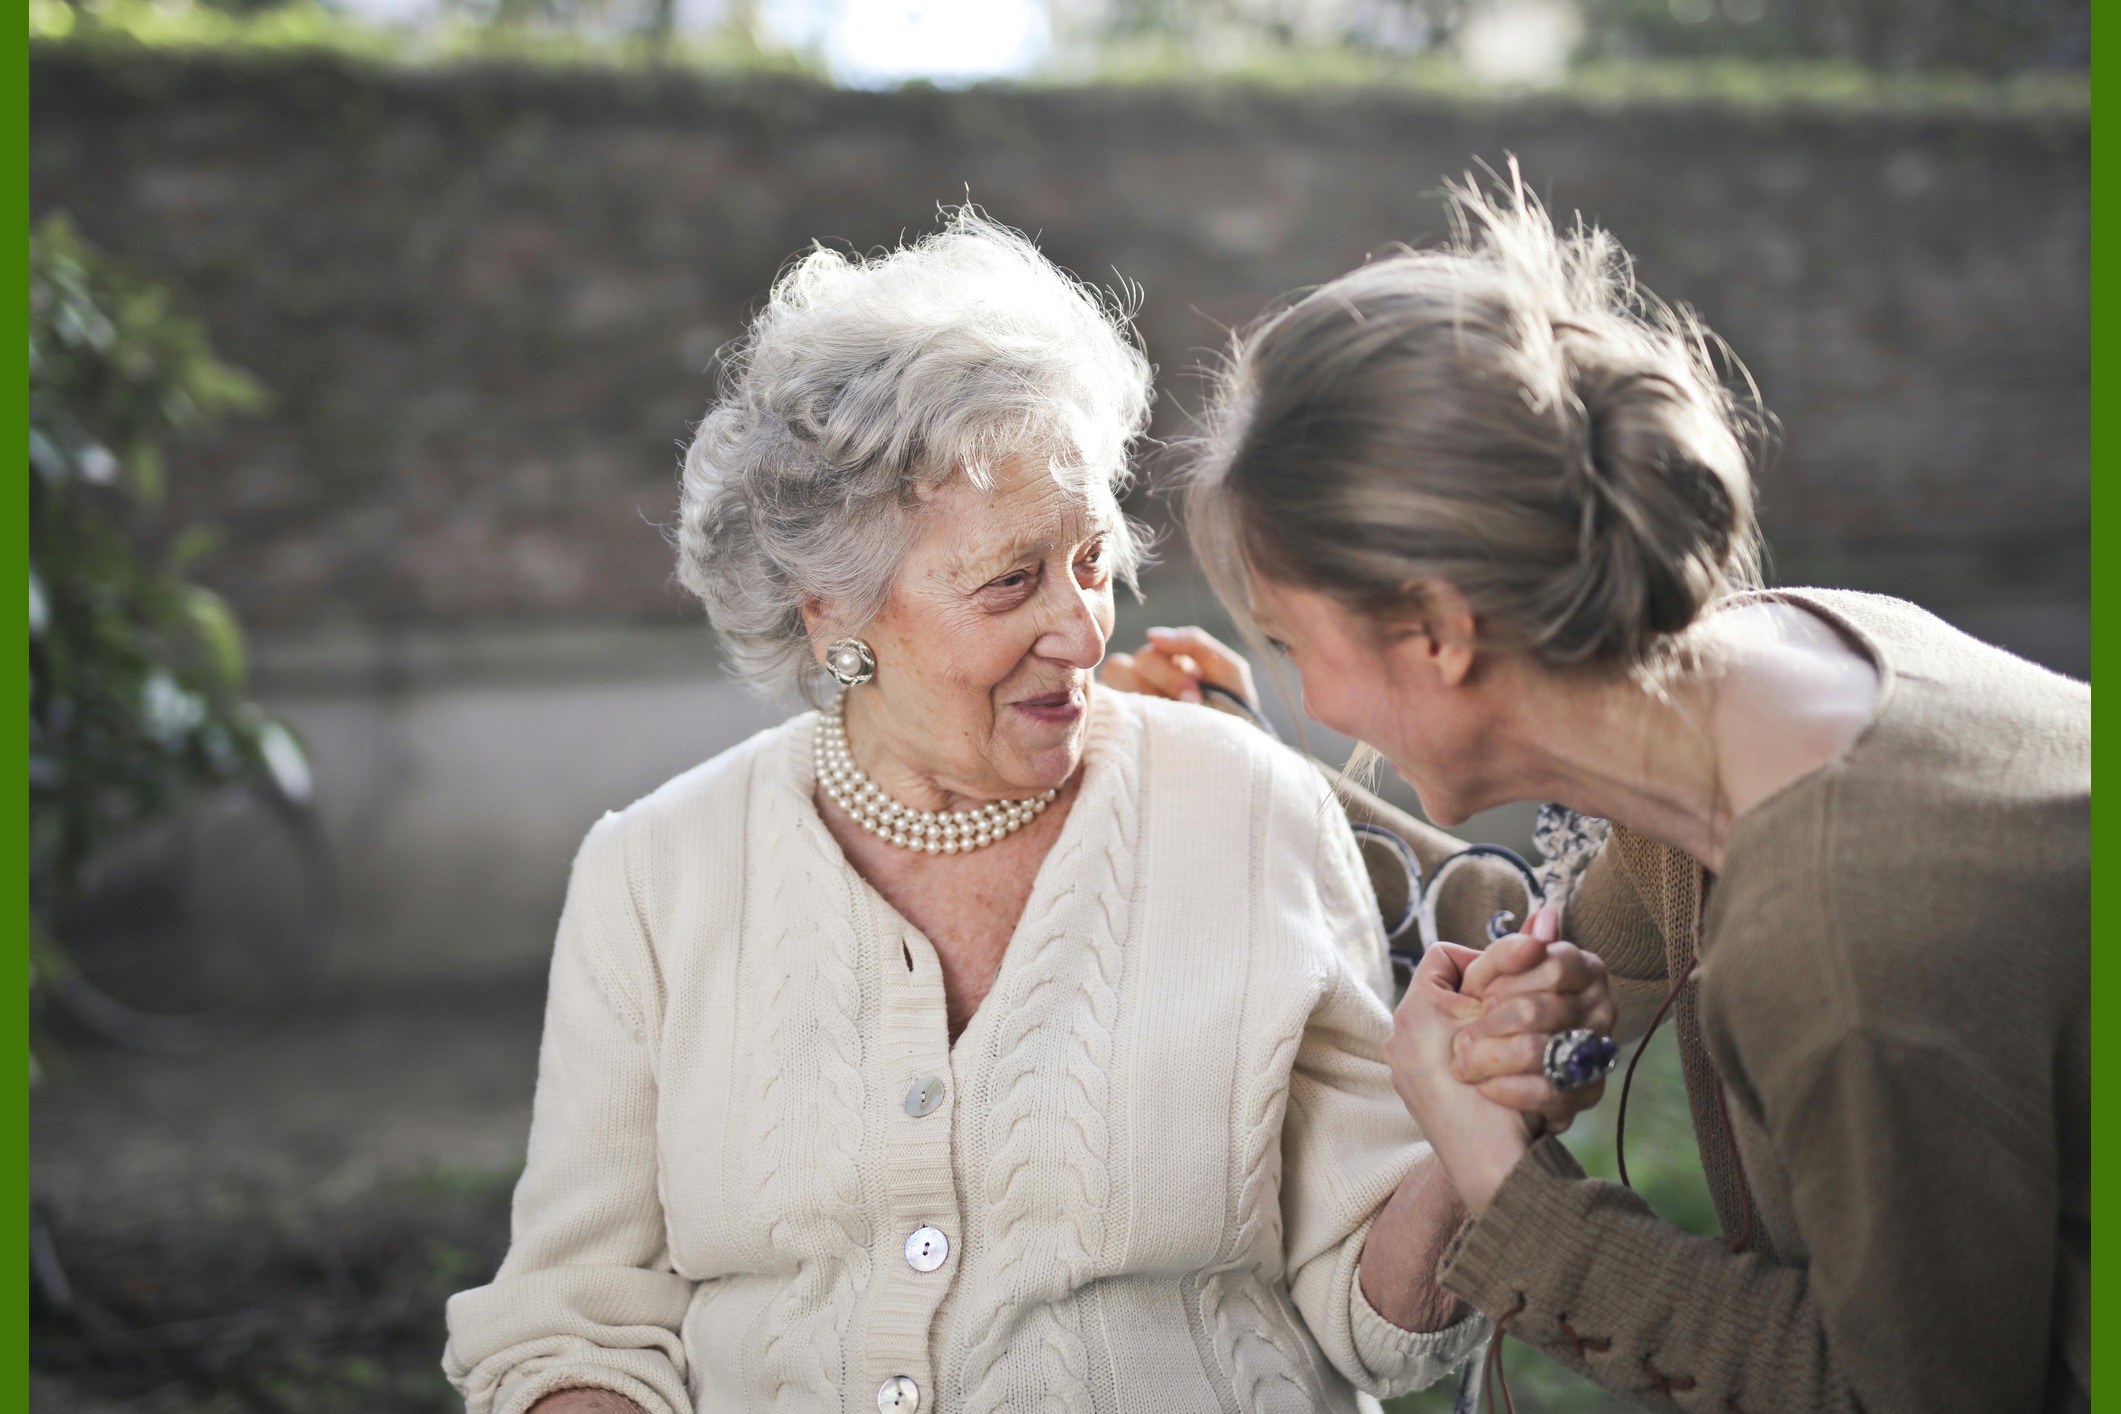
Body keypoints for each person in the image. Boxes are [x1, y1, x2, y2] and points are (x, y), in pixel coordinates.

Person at [440, 213, 1617, 1414]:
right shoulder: (653, 872)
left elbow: (1377, 1326)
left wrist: (1471, 1127)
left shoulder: (1246, 806)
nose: (1083, 630)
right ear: (831, 610)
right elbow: (574, 1322)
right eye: (1011, 581)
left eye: (1092, 561)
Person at [1143, 166, 2089, 1413]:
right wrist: (1234, 763)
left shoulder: (1839, 938)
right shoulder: (1775, 668)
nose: (1312, 696)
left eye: (1291, 643)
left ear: (1437, 632)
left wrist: (1508, 1190)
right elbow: (1554, 943)